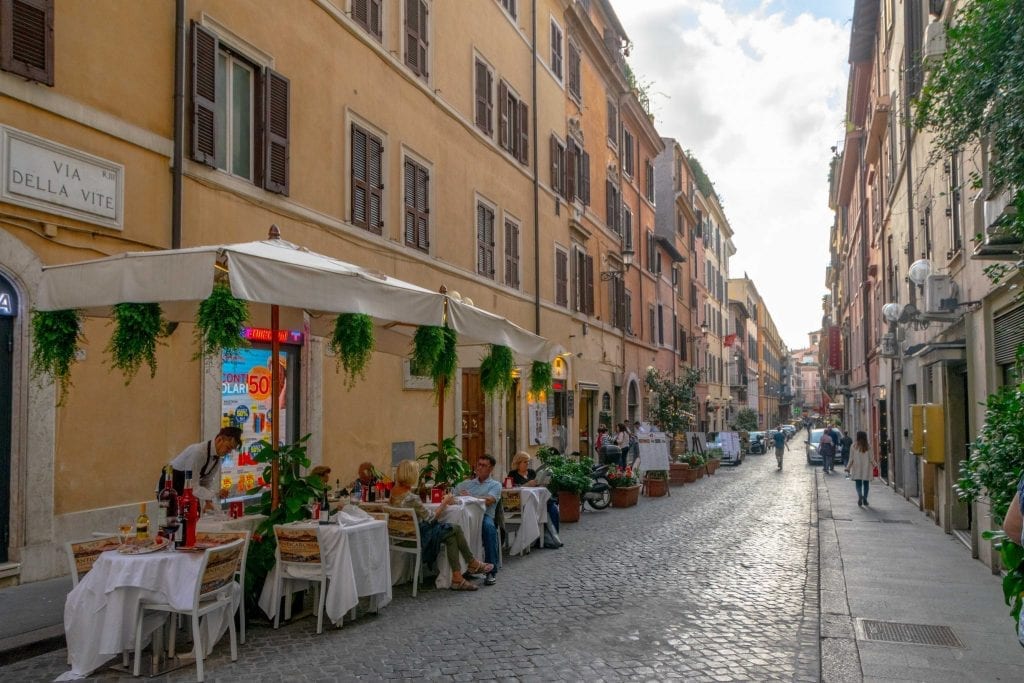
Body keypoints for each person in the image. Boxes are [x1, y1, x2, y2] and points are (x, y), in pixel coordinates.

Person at [390, 460, 493, 591]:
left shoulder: (394, 492)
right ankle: (472, 563)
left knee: (451, 535)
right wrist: (444, 503)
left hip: (403, 536)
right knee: (455, 528)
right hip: (419, 537)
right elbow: (431, 518)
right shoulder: (412, 498)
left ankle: (457, 577)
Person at [167, 426, 243, 512]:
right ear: (219, 440)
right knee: (175, 522)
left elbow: (206, 483)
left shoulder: (217, 459)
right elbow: (192, 486)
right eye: (228, 448)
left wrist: (208, 502)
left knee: (195, 518)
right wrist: (214, 495)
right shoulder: (198, 452)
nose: (229, 452)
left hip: (188, 490)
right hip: (170, 489)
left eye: (231, 450)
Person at [455, 454, 502, 585]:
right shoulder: (467, 483)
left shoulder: (495, 485)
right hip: (465, 516)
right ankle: (462, 569)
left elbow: (489, 500)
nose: (479, 468)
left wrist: (472, 497)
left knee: (489, 528)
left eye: (483, 465)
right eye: (478, 464)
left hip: (484, 516)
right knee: (453, 527)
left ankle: (491, 571)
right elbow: (452, 494)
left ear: (491, 469)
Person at [507, 451, 560, 534]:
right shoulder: (512, 474)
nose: (527, 464)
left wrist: (542, 483)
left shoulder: (531, 472)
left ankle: (554, 536)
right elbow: (512, 489)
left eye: (528, 461)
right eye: (525, 462)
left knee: (553, 508)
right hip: (523, 503)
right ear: (518, 463)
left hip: (537, 499)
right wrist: (527, 484)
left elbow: (537, 483)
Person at [845, 430, 878, 507]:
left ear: (857, 437)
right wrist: (875, 465)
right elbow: (871, 458)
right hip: (866, 468)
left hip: (857, 468)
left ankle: (860, 495)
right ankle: (865, 499)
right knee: (866, 484)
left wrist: (848, 467)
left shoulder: (853, 446)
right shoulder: (868, 446)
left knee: (858, 484)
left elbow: (851, 458)